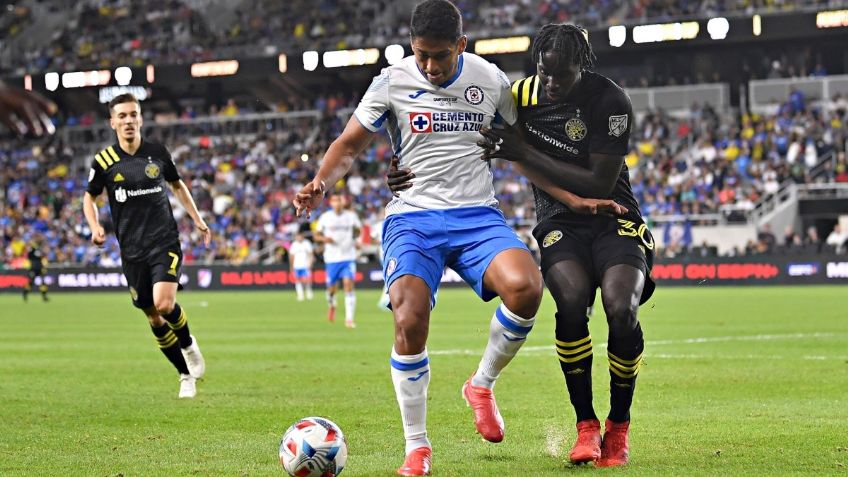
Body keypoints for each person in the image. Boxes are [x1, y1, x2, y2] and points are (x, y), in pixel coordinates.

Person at [293, 2, 583, 474]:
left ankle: (481, 384)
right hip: (413, 218)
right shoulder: (391, 81)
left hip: (477, 216)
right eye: (422, 55)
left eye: (441, 56)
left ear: (462, 46)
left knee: (527, 288)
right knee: (408, 318)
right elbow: (348, 144)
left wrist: (574, 195)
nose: (429, 66)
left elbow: (521, 144)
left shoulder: (490, 80)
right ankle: (417, 446)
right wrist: (321, 183)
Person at [476, 24, 656, 468]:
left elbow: (599, 181)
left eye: (561, 76)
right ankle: (586, 426)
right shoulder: (521, 95)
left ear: (582, 65)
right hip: (560, 222)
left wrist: (525, 152)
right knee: (572, 303)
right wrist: (404, 164)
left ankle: (619, 426)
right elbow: (472, 128)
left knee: (621, 308)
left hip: (615, 217)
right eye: (543, 72)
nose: (551, 84)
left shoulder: (610, 100)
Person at [82, 93, 210, 399]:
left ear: (141, 118)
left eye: (133, 115)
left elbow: (177, 186)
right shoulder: (104, 162)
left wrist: (198, 219)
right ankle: (184, 375)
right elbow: (89, 196)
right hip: (131, 250)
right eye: (122, 116)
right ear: (113, 122)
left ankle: (188, 342)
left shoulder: (157, 153)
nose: (128, 121)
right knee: (153, 316)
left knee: (165, 304)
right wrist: (95, 226)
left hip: (163, 240)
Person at [314, 194, 362, 328]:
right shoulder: (325, 218)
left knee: (348, 284)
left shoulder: (351, 216)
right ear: (331, 203)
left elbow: (358, 231)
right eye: (335, 201)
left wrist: (355, 240)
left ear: (343, 202)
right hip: (332, 258)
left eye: (340, 200)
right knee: (331, 289)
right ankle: (332, 304)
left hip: (348, 257)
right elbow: (316, 235)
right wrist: (325, 239)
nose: (338, 203)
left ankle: (349, 320)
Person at [288, 232, 315, 301]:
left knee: (307, 280)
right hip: (296, 265)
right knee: (297, 280)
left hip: (305, 265)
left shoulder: (307, 243)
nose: (298, 238)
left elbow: (311, 254)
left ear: (302, 237)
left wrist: (310, 263)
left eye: (300, 236)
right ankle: (300, 295)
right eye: (297, 237)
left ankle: (309, 293)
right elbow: (291, 256)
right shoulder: (294, 244)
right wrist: (291, 266)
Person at [23, 237, 49, 302]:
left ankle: (44, 296)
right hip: (33, 269)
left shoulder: (39, 250)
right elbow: (28, 259)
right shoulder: (31, 251)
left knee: (43, 282)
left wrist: (43, 267)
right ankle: (25, 293)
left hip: (39, 268)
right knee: (31, 283)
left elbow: (41, 259)